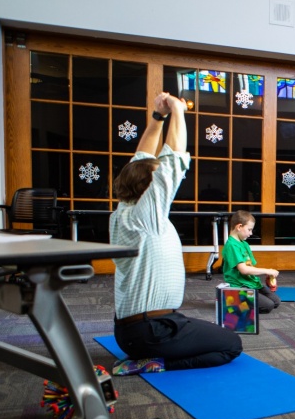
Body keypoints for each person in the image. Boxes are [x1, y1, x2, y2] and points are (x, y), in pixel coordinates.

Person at [110, 92, 242, 376]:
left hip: (131, 331)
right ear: (149, 187)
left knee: (208, 332)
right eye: (156, 179)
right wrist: (179, 111)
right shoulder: (148, 216)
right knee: (231, 344)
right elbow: (173, 161)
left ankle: (149, 355)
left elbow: (141, 159)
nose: (166, 183)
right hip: (151, 332)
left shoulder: (123, 212)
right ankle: (158, 363)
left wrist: (158, 117)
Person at [221, 210, 281, 313]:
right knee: (268, 306)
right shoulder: (231, 245)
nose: (251, 233)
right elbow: (243, 270)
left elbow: (250, 267)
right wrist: (267, 270)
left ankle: (248, 299)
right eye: (249, 230)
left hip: (250, 283)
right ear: (239, 227)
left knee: (276, 301)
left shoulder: (244, 244)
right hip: (240, 286)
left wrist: (266, 275)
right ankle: (233, 301)